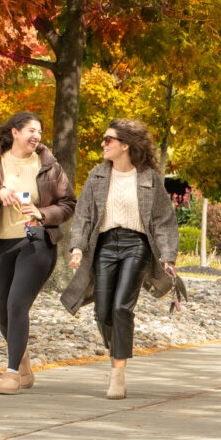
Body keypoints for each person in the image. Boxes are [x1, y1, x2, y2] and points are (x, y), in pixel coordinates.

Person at [61, 119, 179, 400]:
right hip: (104, 246)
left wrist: (167, 256)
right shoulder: (97, 176)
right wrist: (77, 247)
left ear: (125, 145)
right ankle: (117, 350)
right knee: (103, 310)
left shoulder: (149, 178)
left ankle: (118, 372)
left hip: (135, 245)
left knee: (121, 307)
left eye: (108, 140)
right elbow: (84, 216)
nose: (103, 144)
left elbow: (164, 220)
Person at [0, 111, 76, 394]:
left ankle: (11, 373)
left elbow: (68, 203)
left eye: (39, 131)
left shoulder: (49, 165)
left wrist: (42, 212)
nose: (36, 136)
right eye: (30, 130)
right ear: (15, 132)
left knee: (17, 304)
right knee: (3, 311)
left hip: (35, 242)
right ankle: (22, 358)